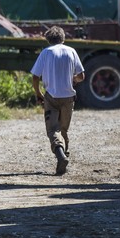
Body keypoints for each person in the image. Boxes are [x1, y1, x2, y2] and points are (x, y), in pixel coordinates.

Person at [30, 26, 85, 175]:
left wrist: (38, 93)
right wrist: (71, 79)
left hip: (51, 97)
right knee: (63, 129)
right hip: (68, 97)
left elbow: (35, 76)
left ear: (48, 39)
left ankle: (60, 157)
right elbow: (81, 76)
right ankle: (64, 156)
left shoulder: (46, 53)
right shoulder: (71, 51)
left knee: (53, 129)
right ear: (63, 38)